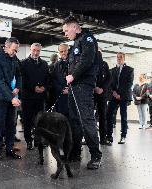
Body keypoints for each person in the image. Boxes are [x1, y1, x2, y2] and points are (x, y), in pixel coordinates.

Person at [63, 16, 102, 169]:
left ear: (74, 27)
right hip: (74, 85)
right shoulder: (76, 42)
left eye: (66, 30)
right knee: (74, 120)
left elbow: (87, 59)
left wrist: (73, 75)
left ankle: (96, 156)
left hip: (83, 85)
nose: (65, 34)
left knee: (86, 120)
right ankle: (75, 152)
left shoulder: (88, 39)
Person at [0, 37, 22, 161]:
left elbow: (19, 74)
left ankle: (9, 149)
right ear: (6, 47)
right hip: (1, 97)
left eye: (16, 51)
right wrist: (11, 97)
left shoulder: (14, 58)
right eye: (13, 50)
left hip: (12, 96)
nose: (15, 53)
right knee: (0, 125)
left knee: (11, 124)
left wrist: (18, 87)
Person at [20, 42, 49, 150]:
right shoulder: (23, 63)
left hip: (40, 98)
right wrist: (33, 88)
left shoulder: (45, 64)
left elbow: (48, 79)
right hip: (28, 97)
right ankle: (28, 141)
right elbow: (22, 80)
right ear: (31, 50)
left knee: (40, 120)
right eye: (34, 50)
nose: (36, 53)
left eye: (38, 51)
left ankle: (38, 140)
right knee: (27, 120)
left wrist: (44, 87)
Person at [106, 52, 134, 144]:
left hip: (123, 96)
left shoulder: (130, 70)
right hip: (113, 96)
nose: (119, 58)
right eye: (117, 57)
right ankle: (109, 136)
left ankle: (123, 136)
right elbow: (109, 83)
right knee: (109, 114)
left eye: (120, 57)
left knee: (123, 116)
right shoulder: (112, 70)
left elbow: (129, 84)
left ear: (124, 58)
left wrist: (120, 94)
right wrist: (113, 92)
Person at [94, 50, 112, 145]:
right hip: (91, 94)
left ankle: (103, 139)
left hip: (102, 94)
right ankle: (89, 138)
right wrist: (95, 87)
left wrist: (102, 88)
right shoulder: (90, 64)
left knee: (102, 116)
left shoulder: (105, 64)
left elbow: (109, 78)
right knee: (89, 117)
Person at [52, 43, 70, 116]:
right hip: (60, 96)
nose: (63, 53)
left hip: (72, 96)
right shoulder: (56, 64)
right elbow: (54, 79)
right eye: (61, 51)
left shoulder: (75, 62)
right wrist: (61, 89)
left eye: (65, 51)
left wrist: (70, 90)